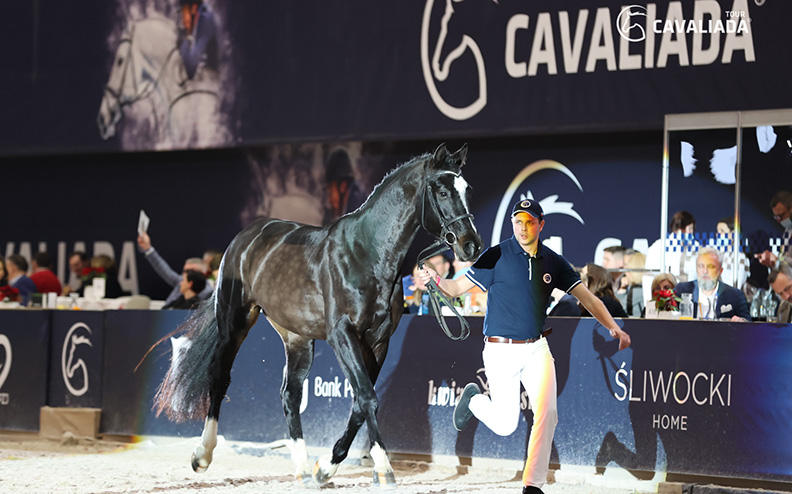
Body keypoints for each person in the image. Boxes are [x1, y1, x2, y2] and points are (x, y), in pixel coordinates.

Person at [418, 199, 631, 494]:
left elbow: (589, 299)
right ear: (512, 224)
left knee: (548, 413)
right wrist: (436, 280)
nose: (523, 227)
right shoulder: (496, 254)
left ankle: (532, 485)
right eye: (518, 221)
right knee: (506, 426)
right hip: (500, 350)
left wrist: (612, 326)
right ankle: (474, 400)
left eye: (529, 222)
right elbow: (455, 289)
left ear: (541, 225)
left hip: (537, 349)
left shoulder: (554, 261)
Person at [674, 247, 750, 321]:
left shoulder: (735, 295)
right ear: (696, 269)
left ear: (720, 271)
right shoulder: (681, 290)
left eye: (710, 267)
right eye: (701, 266)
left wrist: (741, 321)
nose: (705, 271)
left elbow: (747, 322)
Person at [137, 232, 214, 305]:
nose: (185, 274)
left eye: (190, 271)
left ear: (202, 273)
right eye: (184, 271)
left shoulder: (208, 293)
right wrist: (148, 248)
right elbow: (163, 269)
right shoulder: (181, 282)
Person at [645, 211, 698, 281]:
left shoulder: (696, 247)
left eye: (691, 228)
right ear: (677, 229)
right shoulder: (659, 246)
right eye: (688, 228)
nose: (690, 232)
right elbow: (649, 275)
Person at [177, 0, 218, 80]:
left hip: (213, 79)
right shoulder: (204, 12)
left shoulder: (205, 19)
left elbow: (191, 68)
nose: (183, 21)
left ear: (193, 8)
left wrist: (183, 43)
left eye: (184, 13)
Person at [755, 191, 792, 268]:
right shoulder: (788, 231)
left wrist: (776, 261)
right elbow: (785, 260)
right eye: (776, 217)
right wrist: (772, 260)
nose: (779, 220)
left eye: (781, 215)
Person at [616, 251, 646, 317]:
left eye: (628, 269)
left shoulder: (637, 289)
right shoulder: (641, 287)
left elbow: (616, 309)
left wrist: (622, 289)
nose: (626, 272)